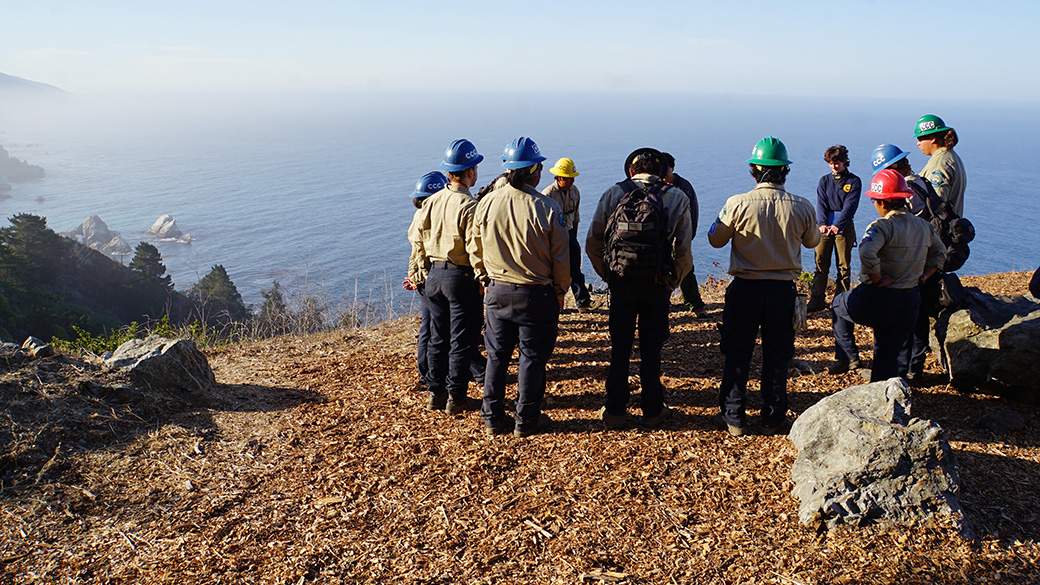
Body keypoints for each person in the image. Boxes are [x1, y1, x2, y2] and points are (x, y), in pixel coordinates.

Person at [707, 137, 819, 436]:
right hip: (782, 290)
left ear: (754, 171)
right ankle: (773, 417)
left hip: (746, 288)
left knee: (737, 353)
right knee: (778, 355)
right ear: (785, 171)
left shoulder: (737, 203)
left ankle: (734, 417)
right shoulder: (802, 206)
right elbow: (813, 241)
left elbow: (715, 239)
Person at [468, 137, 570, 437]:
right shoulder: (548, 207)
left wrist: (483, 278)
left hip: (497, 291)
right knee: (532, 358)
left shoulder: (486, 202)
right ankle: (526, 420)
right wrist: (561, 291)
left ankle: (492, 417)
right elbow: (561, 258)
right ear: (535, 170)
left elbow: (474, 246)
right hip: (537, 294)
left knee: (497, 356)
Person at [586, 148, 692, 429]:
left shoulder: (614, 193)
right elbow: (684, 249)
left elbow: (593, 241)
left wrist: (608, 275)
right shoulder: (676, 197)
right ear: (661, 172)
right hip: (657, 282)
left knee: (619, 347)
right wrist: (673, 282)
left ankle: (615, 410)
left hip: (621, 281)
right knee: (652, 348)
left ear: (631, 172)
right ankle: (653, 409)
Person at [830, 169, 945, 382]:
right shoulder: (923, 226)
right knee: (891, 349)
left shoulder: (882, 226)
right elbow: (940, 253)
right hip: (910, 298)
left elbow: (866, 251)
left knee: (838, 305)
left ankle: (848, 357)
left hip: (880, 296)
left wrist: (876, 278)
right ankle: (895, 388)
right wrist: (924, 275)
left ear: (882, 203)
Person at [410, 139, 486, 415]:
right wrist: (482, 279)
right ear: (469, 172)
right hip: (460, 276)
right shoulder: (469, 205)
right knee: (461, 340)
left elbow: (417, 238)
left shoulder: (432, 201)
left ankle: (436, 394)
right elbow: (475, 247)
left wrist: (421, 270)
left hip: (433, 276)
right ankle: (457, 397)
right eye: (475, 167)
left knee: (437, 337)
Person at [871, 144, 944, 382]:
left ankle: (900, 373)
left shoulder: (908, 191)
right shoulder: (923, 182)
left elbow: (903, 228)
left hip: (912, 262)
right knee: (920, 317)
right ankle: (916, 368)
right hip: (927, 258)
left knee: (906, 319)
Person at [404, 171, 449, 391]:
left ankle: (427, 372)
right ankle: (431, 374)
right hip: (427, 279)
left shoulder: (420, 216)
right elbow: (422, 254)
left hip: (422, 279)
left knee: (429, 327)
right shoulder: (428, 217)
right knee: (436, 328)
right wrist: (419, 277)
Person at [807, 145, 861, 313]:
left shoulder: (854, 181)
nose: (833, 166)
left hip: (844, 227)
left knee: (843, 266)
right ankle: (816, 299)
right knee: (820, 263)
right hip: (824, 227)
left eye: (836, 163)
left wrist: (838, 226)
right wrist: (822, 224)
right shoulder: (824, 181)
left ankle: (841, 301)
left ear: (845, 161)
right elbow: (821, 203)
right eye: (830, 163)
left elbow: (850, 206)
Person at [542, 157, 592, 312]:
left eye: (573, 179)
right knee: (553, 270)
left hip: (570, 234)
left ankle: (582, 302)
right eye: (569, 179)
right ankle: (552, 303)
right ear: (560, 177)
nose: (571, 182)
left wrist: (574, 236)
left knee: (575, 270)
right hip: (553, 237)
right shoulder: (547, 194)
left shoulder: (575, 191)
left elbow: (576, 216)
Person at [661, 152, 705, 316]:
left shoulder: (683, 186)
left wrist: (687, 236)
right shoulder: (657, 186)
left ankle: (694, 303)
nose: (664, 173)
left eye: (666, 169)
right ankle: (664, 301)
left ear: (672, 168)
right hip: (662, 237)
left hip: (681, 235)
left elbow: (693, 212)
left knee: (686, 267)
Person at [915, 114, 966, 217]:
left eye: (920, 139)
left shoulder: (939, 165)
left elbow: (936, 205)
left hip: (938, 230)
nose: (918, 143)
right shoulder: (952, 156)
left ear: (933, 139)